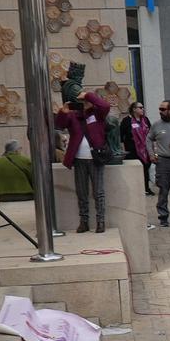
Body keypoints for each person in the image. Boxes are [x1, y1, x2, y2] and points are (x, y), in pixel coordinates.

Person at [54, 92, 110, 234]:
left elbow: (105, 105)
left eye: (85, 101)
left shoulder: (98, 114)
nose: (83, 103)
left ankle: (100, 221)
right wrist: (63, 112)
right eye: (80, 101)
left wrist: (88, 95)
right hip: (79, 159)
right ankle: (84, 222)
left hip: (95, 158)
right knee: (81, 192)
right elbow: (59, 125)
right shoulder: (73, 115)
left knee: (98, 192)